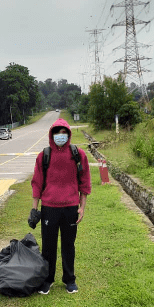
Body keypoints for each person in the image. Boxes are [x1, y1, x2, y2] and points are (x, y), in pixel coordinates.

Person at [29, 118, 91, 294]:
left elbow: (84, 182)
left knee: (68, 245)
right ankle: (47, 280)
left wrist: (82, 207)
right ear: (52, 134)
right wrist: (35, 208)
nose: (61, 136)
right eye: (58, 133)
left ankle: (69, 280)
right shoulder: (44, 156)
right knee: (48, 246)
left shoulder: (78, 154)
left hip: (70, 207)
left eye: (64, 133)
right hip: (49, 207)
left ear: (69, 134)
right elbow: (37, 183)